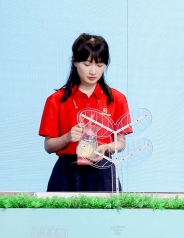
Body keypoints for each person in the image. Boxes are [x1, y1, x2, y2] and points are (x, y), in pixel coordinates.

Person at [39, 33, 130, 192]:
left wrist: (105, 147)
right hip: (67, 172)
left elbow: (121, 143)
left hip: (103, 170)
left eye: (100, 64)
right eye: (87, 64)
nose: (93, 71)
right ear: (74, 61)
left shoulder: (116, 98)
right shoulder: (56, 99)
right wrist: (67, 137)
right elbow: (49, 146)